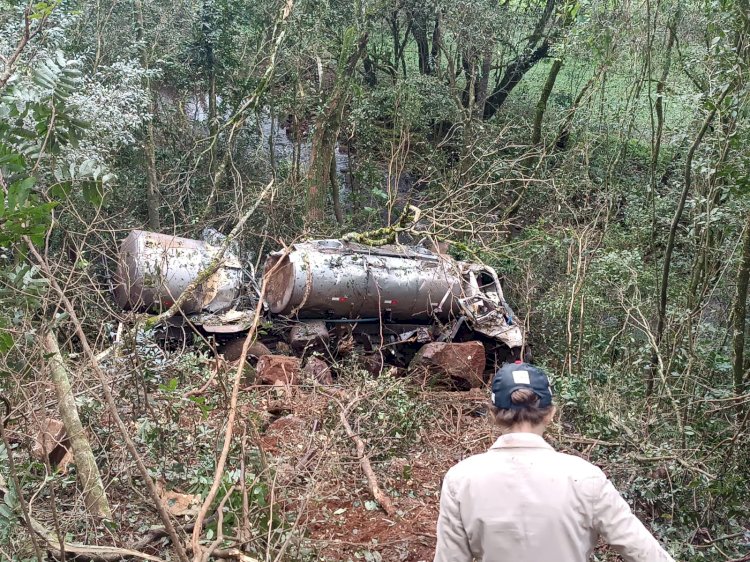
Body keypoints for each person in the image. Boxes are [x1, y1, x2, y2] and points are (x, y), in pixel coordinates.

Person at [433, 361, 676, 562]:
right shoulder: (586, 478)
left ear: (493, 414)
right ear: (551, 414)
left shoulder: (460, 479)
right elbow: (644, 552)